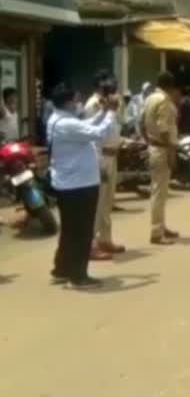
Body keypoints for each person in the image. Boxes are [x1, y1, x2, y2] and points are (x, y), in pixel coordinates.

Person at [47, 82, 119, 289]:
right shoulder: (66, 124)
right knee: (82, 231)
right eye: (76, 100)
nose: (78, 103)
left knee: (70, 230)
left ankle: (62, 269)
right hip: (78, 185)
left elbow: (87, 125)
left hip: (69, 184)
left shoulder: (59, 119)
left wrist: (104, 111)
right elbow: (98, 133)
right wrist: (112, 113)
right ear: (69, 102)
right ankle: (78, 276)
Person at [83, 70, 126, 261]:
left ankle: (105, 239)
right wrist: (97, 163)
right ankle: (91, 244)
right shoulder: (93, 105)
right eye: (107, 83)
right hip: (100, 157)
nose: (112, 86)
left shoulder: (112, 104)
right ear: (99, 85)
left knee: (108, 203)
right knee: (97, 203)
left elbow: (115, 128)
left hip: (112, 155)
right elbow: (91, 135)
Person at [140, 71, 180, 245]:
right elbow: (164, 128)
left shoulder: (149, 98)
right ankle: (156, 232)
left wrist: (148, 139)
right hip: (162, 149)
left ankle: (161, 226)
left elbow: (141, 123)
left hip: (153, 147)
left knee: (161, 192)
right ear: (170, 86)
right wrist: (170, 151)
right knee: (159, 192)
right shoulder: (163, 101)